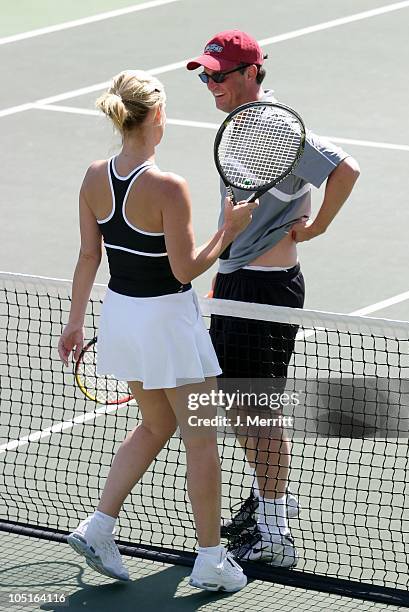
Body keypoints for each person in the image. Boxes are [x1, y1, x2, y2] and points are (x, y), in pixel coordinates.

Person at [58, 69, 258, 592]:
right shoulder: (169, 187)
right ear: (158, 118)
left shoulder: (91, 176)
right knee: (201, 441)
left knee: (154, 426)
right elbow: (186, 270)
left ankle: (99, 526)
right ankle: (212, 560)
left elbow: (86, 256)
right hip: (168, 324)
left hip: (122, 317)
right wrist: (228, 230)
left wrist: (75, 322)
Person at [187, 30, 360, 567]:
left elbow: (345, 170)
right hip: (244, 283)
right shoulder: (244, 123)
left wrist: (316, 229)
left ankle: (275, 532)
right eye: (204, 75)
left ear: (250, 73)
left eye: (218, 74)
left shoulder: (269, 123)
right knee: (243, 407)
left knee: (254, 412)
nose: (209, 84)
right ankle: (266, 505)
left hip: (263, 290)